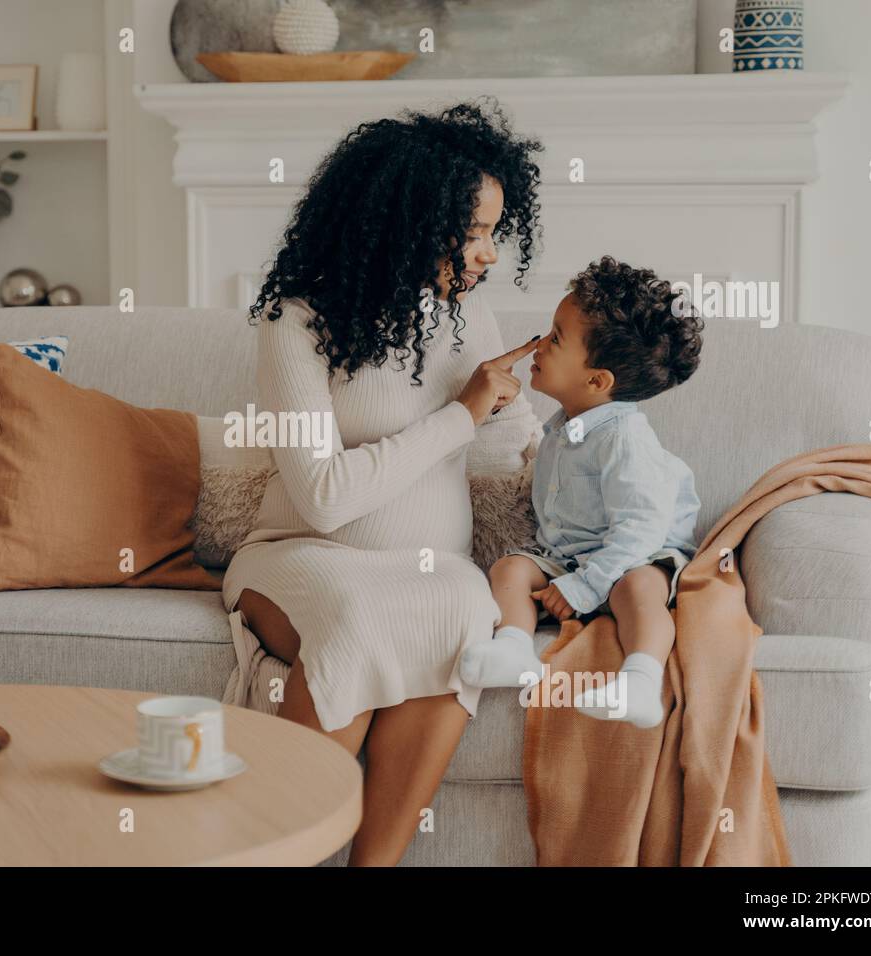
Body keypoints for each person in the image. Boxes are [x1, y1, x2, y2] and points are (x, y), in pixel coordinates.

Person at [222, 99, 544, 866]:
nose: (489, 255)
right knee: (363, 611)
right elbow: (323, 498)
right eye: (472, 234)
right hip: (298, 554)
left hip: (428, 569)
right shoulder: (297, 323)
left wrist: (567, 432)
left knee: (463, 608)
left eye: (495, 234)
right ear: (404, 221)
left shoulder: (472, 321)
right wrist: (463, 413)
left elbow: (508, 455)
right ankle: (278, 852)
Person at [460, 256, 705, 730]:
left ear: (597, 381)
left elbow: (641, 528)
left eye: (555, 339)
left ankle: (640, 681)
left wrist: (588, 586)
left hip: (636, 553)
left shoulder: (623, 439)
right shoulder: (564, 427)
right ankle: (513, 647)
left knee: (639, 588)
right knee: (510, 567)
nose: (539, 345)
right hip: (569, 553)